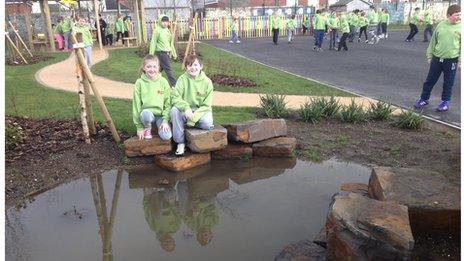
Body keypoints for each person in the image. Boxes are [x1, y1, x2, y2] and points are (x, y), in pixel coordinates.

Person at [414, 4, 460, 112]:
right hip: (437, 59)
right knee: (430, 80)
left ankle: (445, 102)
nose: (459, 17)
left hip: (451, 60)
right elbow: (433, 41)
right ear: (449, 15)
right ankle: (424, 99)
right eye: (457, 15)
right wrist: (430, 55)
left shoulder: (461, 27)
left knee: (448, 83)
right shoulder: (441, 25)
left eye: (460, 15)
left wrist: (460, 61)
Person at [170, 54, 214, 156]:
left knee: (207, 124)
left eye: (195, 65)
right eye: (189, 65)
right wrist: (186, 108)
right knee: (174, 111)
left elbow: (207, 105)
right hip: (185, 110)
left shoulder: (207, 82)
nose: (193, 68)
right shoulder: (182, 79)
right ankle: (180, 142)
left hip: (201, 111)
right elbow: (175, 98)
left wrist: (193, 118)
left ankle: (187, 124)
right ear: (186, 67)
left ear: (201, 66)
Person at [132, 54, 172, 140]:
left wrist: (165, 121)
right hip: (146, 115)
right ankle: (147, 128)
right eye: (148, 67)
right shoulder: (139, 83)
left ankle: (160, 126)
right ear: (144, 68)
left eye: (154, 67)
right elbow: (136, 105)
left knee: (166, 136)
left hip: (160, 115)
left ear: (158, 67)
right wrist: (139, 127)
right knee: (146, 114)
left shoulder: (163, 82)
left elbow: (168, 103)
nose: (152, 69)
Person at [149, 15, 178, 87]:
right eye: (163, 21)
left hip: (166, 53)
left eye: (167, 21)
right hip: (161, 53)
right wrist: (151, 55)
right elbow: (153, 42)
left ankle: (149, 80)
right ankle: (174, 85)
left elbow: (170, 43)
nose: (165, 23)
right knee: (168, 69)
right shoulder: (157, 30)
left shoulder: (167, 30)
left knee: (159, 69)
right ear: (160, 21)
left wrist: (173, 53)